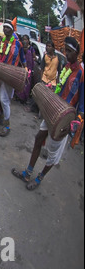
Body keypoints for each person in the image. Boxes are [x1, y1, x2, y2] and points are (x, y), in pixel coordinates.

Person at [11, 37, 84, 191]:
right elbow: (60, 89)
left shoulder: (81, 74)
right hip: (53, 111)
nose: (67, 54)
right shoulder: (66, 67)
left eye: (70, 51)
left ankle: (39, 178)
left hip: (65, 120)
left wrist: (76, 121)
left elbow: (82, 105)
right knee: (38, 139)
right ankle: (28, 172)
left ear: (77, 53)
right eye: (65, 50)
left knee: (52, 155)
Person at [0, 18, 27, 137]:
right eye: (4, 27)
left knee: (4, 100)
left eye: (7, 27)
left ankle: (7, 125)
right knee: (0, 98)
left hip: (11, 75)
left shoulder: (18, 43)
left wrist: (26, 72)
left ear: (12, 29)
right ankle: (1, 118)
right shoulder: (2, 42)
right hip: (0, 72)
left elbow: (23, 60)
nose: (5, 29)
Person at [15, 34, 36, 104]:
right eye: (23, 39)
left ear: (28, 41)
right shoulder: (20, 48)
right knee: (20, 82)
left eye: (26, 39)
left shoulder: (31, 49)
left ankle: (24, 98)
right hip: (21, 67)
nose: (24, 41)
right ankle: (18, 96)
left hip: (28, 69)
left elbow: (34, 58)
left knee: (27, 83)